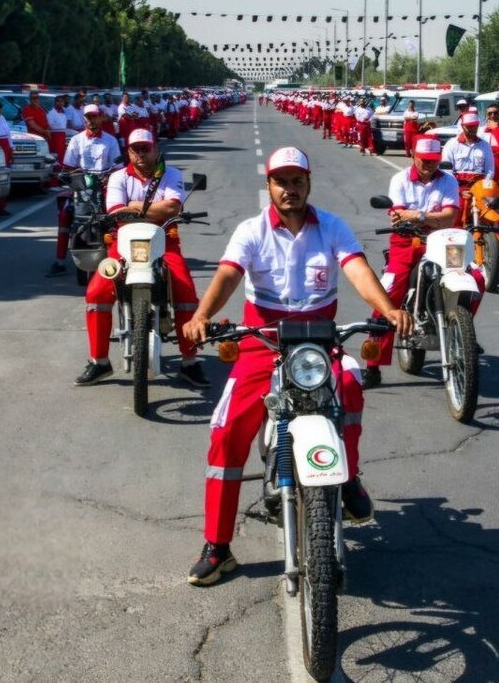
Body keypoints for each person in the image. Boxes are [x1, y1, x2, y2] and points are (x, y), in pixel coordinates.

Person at [181, 147, 412, 586]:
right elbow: (229, 274)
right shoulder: (251, 231)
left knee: (350, 385)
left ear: (309, 183)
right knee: (227, 431)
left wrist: (388, 308)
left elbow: (357, 269)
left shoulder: (332, 226)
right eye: (281, 181)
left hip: (319, 341)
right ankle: (218, 546)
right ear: (269, 185)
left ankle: (347, 480)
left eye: (297, 181)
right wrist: (201, 316)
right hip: (261, 342)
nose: (290, 189)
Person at [77, 128, 208, 388]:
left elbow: (173, 207)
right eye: (135, 149)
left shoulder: (171, 174)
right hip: (122, 245)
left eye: (145, 148)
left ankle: (190, 361)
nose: (140, 153)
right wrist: (147, 211)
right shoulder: (117, 177)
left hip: (163, 243)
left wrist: (134, 207)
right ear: (128, 152)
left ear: (156, 149)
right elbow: (117, 213)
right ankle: (99, 361)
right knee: (96, 294)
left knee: (186, 294)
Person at [364, 136, 471, 388]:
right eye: (425, 161)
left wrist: (419, 215)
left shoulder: (449, 180)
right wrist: (426, 218)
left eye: (434, 161)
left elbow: (449, 218)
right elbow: (398, 216)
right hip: (406, 244)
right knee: (386, 297)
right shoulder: (400, 180)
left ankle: (463, 334)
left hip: (445, 241)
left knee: (471, 279)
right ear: (413, 155)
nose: (429, 166)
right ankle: (372, 366)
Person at [47, 105, 122, 277]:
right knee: (65, 213)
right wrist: (69, 174)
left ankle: (119, 257)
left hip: (104, 187)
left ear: (101, 118)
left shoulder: (110, 140)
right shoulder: (76, 140)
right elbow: (69, 166)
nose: (92, 121)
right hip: (81, 187)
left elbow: (118, 166)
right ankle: (59, 261)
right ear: (84, 119)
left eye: (95, 117)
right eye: (88, 118)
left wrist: (108, 177)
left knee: (115, 215)